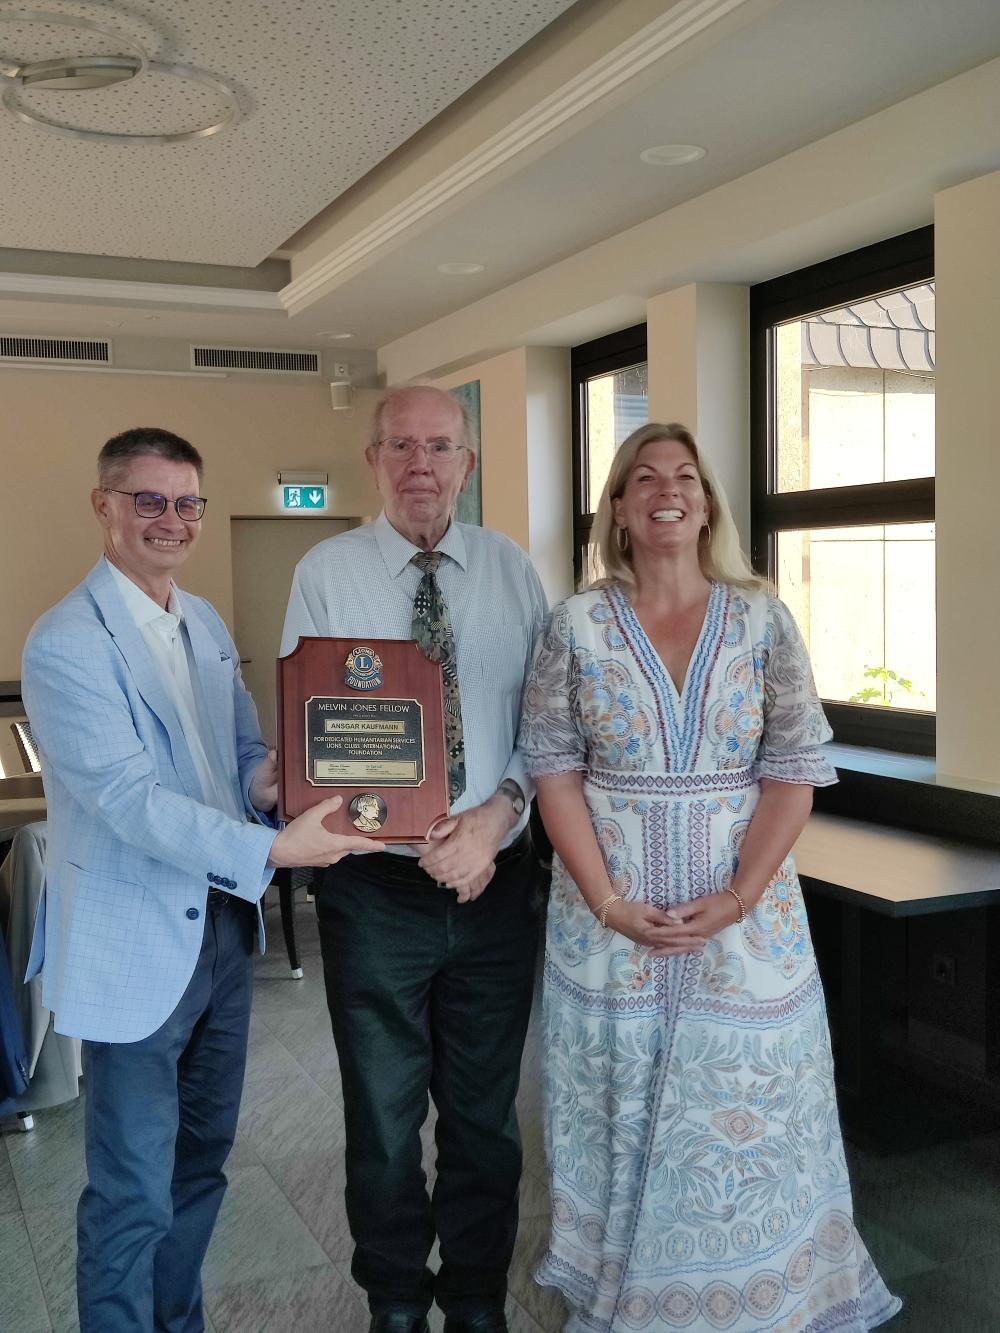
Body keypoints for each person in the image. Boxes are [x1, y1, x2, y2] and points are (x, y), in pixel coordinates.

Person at [519, 423, 900, 1333]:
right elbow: (553, 769)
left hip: (749, 926)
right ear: (617, 506)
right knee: (618, 1110)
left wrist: (736, 899)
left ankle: (765, 1299)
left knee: (749, 1111)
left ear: (707, 504)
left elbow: (794, 770)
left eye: (685, 476)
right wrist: (609, 903)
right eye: (645, 477)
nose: (667, 490)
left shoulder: (764, 619)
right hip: (608, 927)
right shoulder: (574, 625)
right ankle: (624, 1300)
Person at [21, 427, 379, 1333]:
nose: (171, 520)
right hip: (135, 944)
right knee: (132, 1191)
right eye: (149, 500)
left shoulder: (207, 622)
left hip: (222, 935)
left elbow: (242, 755)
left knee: (199, 1170)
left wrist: (282, 783)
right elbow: (129, 801)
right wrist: (274, 851)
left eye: (187, 502)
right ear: (104, 506)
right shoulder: (66, 642)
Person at [281, 384, 548, 1333]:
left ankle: (475, 1296)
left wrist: (495, 818)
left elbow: (548, 727)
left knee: (483, 1117)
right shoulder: (325, 572)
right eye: (400, 445)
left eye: (439, 445)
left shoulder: (513, 571)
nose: (420, 464)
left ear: (467, 463)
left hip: (496, 883)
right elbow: (312, 729)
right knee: (383, 1119)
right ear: (374, 458)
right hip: (374, 891)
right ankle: (394, 1299)